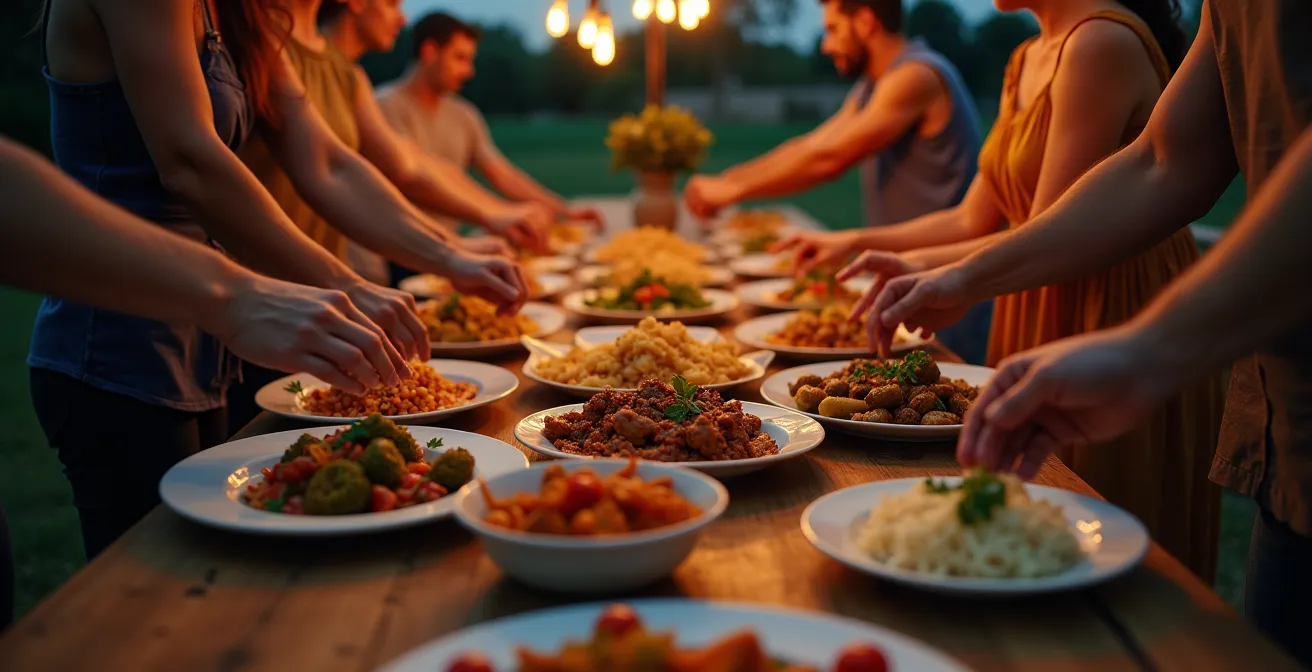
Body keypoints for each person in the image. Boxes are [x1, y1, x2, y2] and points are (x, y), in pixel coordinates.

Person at [865, 2, 1310, 662]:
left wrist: (1150, 346)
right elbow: (1161, 160)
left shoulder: (1101, 40)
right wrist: (961, 279)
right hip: (1288, 434)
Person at [36, 0, 525, 559]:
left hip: (205, 344)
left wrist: (450, 255)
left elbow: (325, 161)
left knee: (218, 565)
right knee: (149, 586)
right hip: (121, 347)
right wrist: (350, 285)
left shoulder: (241, 15)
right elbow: (188, 162)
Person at [827, 0, 1222, 581]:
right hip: (1032, 288)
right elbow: (973, 219)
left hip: (1108, 310)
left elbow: (1046, 227)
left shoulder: (1099, 43)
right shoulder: (1026, 56)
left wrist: (954, 277)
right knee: (1031, 515)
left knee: (1099, 532)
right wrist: (887, 253)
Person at [683, 0, 992, 364]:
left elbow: (832, 158)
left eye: (832, 29)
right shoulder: (874, 84)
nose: (825, 45)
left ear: (865, 20)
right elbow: (814, 144)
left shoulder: (915, 76)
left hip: (948, 290)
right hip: (906, 278)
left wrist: (730, 191)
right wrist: (727, 181)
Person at [374, 12, 604, 231]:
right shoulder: (384, 106)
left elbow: (503, 174)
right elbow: (415, 178)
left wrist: (562, 210)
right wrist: (499, 213)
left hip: (445, 247)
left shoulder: (463, 114)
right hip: (395, 251)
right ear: (430, 51)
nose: (469, 71)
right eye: (460, 58)